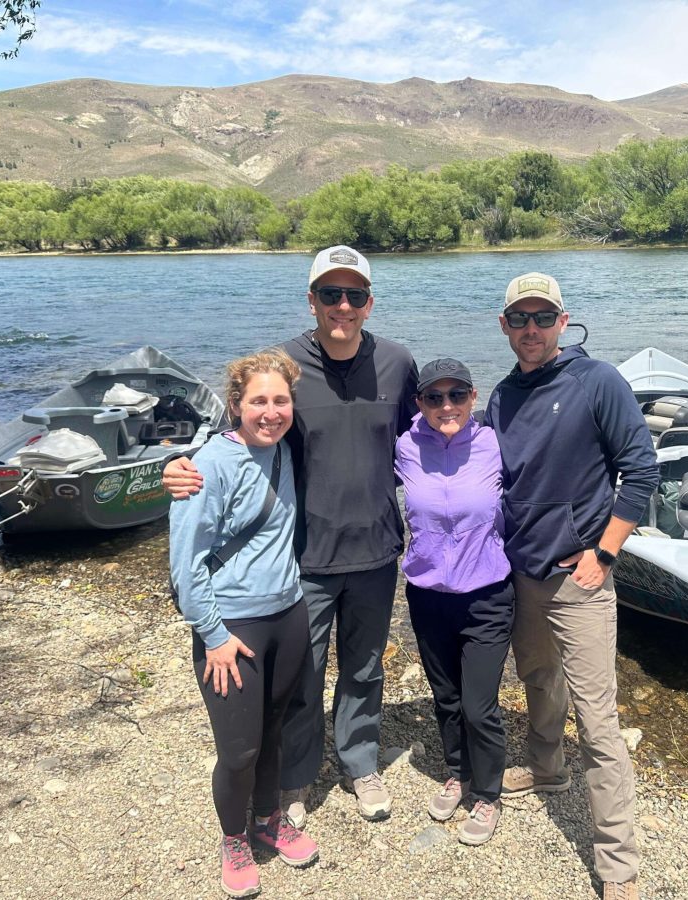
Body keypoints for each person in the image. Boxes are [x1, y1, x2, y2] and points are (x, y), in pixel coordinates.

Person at [163, 246, 418, 826]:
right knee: (303, 675)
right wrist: (175, 466)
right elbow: (237, 434)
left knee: (365, 667)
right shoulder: (287, 366)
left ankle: (360, 762)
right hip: (303, 556)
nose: (342, 305)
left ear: (369, 303)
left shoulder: (398, 362)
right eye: (330, 293)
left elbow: (422, 437)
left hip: (377, 549)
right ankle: (295, 776)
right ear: (312, 300)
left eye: (354, 294)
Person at [485, 273, 659, 900]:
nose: (531, 329)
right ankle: (547, 768)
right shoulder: (502, 396)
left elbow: (641, 472)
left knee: (598, 718)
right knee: (538, 678)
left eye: (543, 317)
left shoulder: (598, 381)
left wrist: (605, 553)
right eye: (520, 318)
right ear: (504, 326)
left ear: (563, 321)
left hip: (579, 577)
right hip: (522, 573)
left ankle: (618, 865)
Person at [169, 349, 317, 899]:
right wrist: (213, 636)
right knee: (239, 750)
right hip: (233, 627)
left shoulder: (286, 449)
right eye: (258, 401)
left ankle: (268, 819)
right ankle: (234, 839)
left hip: (289, 614)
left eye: (281, 400)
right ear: (236, 405)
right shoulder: (208, 464)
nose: (271, 412)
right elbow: (185, 564)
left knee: (273, 731)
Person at [394, 358, 512, 846]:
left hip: (487, 594)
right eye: (435, 397)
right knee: (446, 696)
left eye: (457, 395)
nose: (447, 405)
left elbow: (551, 479)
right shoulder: (404, 446)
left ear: (473, 397)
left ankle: (487, 794)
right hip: (427, 595)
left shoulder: (493, 444)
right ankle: (457, 772)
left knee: (478, 705)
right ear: (419, 403)